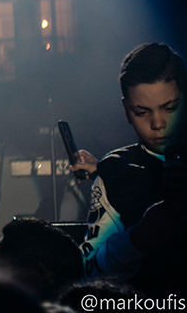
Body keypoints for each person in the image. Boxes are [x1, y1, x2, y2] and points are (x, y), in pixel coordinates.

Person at [78, 43, 187, 294]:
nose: (157, 123)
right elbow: (88, 272)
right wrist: (137, 240)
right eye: (142, 112)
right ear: (126, 111)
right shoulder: (116, 172)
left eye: (170, 108)